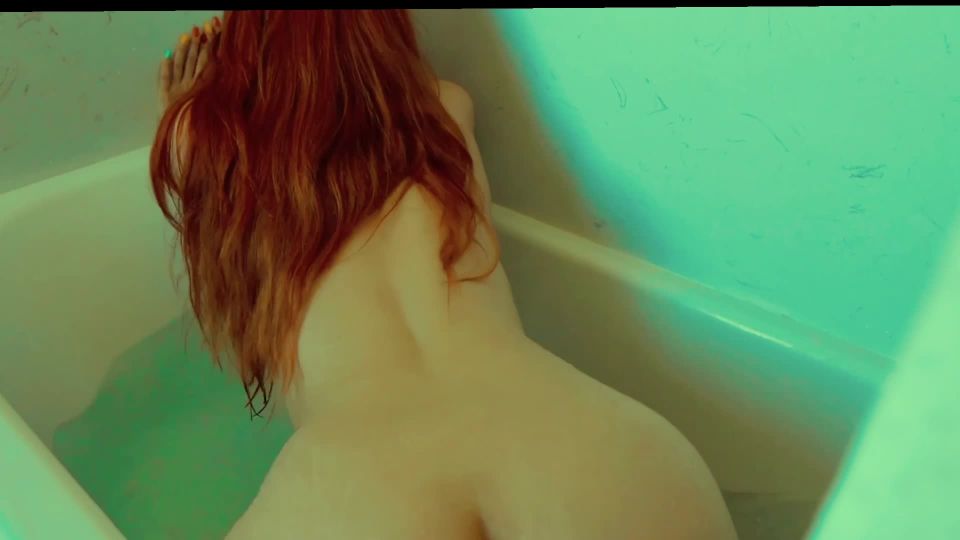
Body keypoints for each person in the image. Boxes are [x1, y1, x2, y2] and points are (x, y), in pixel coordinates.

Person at [153, 10, 738, 540]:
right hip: (595, 443)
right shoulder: (447, 108)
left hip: (356, 484)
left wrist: (183, 106)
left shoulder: (205, 143)